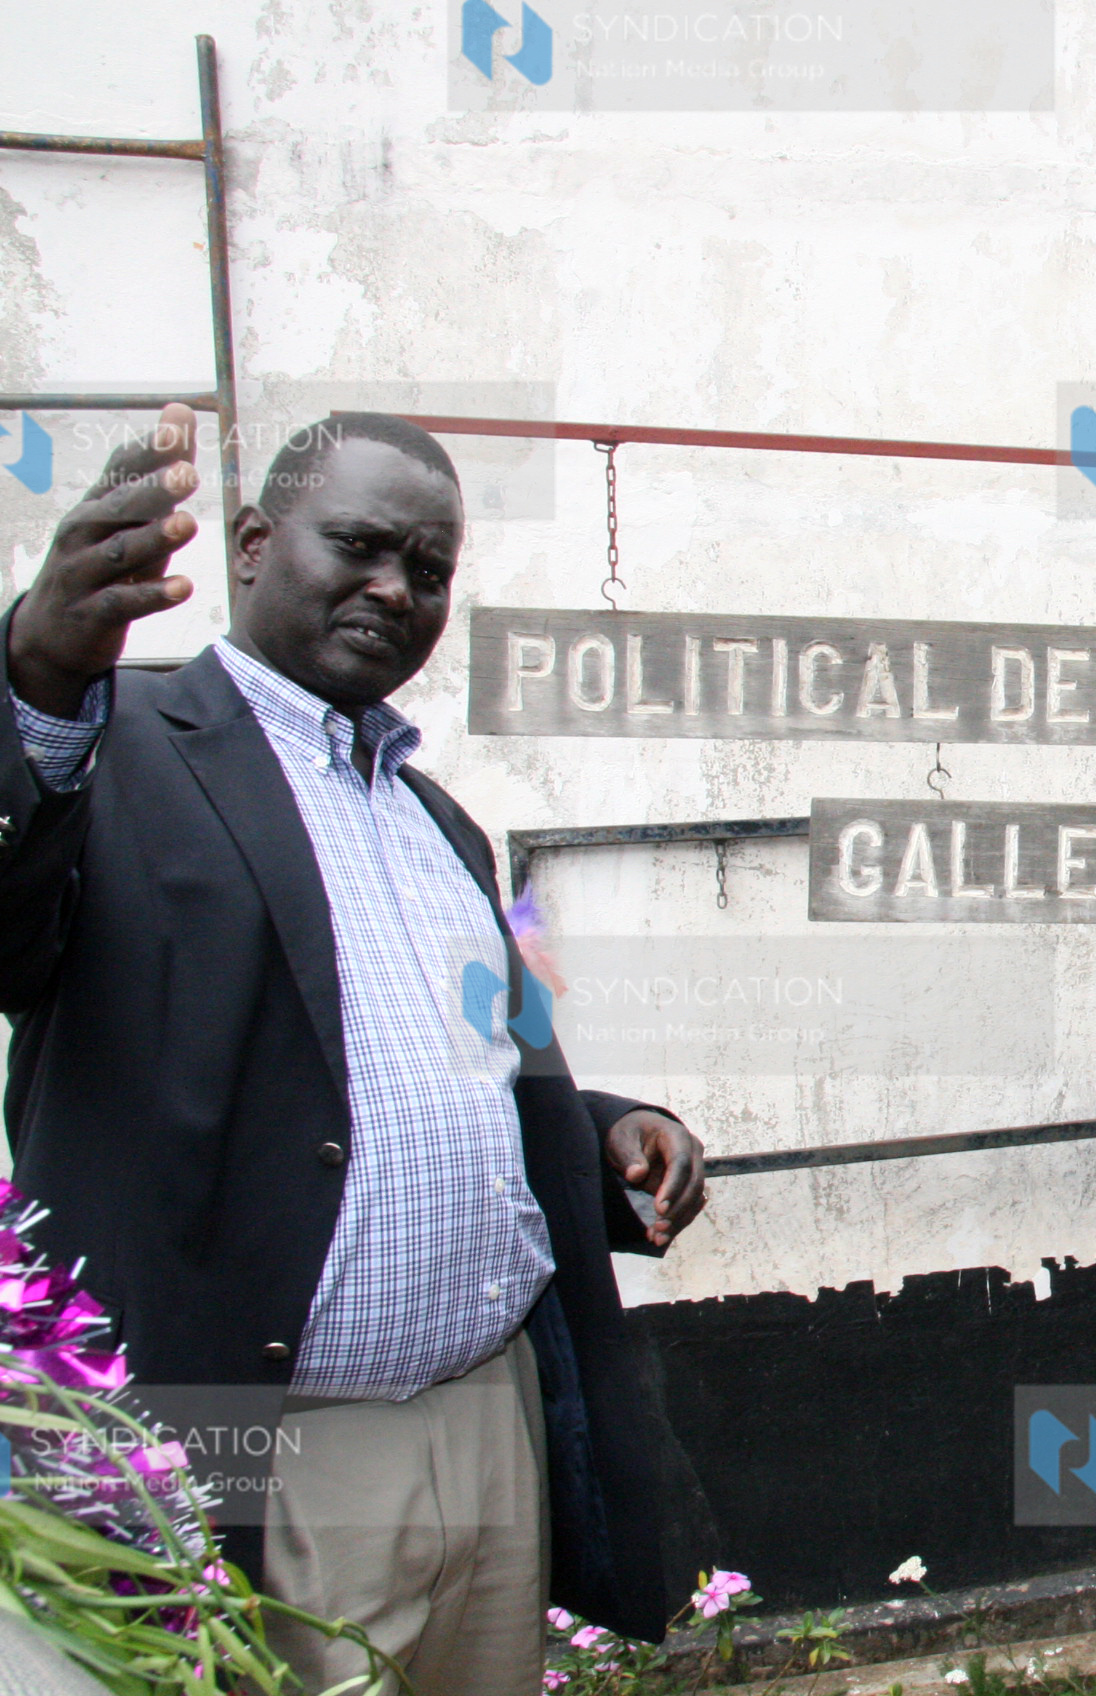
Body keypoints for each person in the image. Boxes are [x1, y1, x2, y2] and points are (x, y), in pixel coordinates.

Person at [0, 407, 707, 1693]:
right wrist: (38, 686)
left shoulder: (441, 822)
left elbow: (449, 1063)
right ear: (259, 544)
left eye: (428, 569)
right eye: (362, 545)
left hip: (491, 1424)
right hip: (274, 1460)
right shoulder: (119, 750)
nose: (396, 587)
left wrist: (595, 1125)